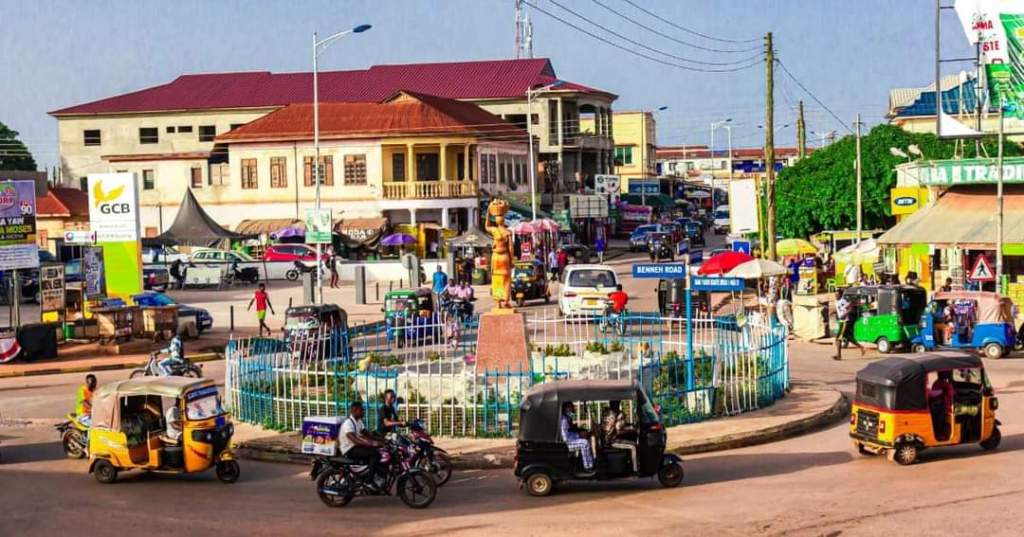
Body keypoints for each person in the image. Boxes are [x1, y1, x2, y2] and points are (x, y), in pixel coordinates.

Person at [339, 401, 384, 485]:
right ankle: (369, 481)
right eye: (361, 410)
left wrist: (382, 439)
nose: (363, 412)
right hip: (349, 449)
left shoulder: (358, 421)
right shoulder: (348, 423)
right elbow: (355, 440)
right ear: (355, 410)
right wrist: (372, 444)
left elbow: (367, 433)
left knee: (380, 450)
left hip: (355, 447)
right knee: (375, 454)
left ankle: (371, 474)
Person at [600, 401, 637, 472]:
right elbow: (619, 430)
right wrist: (631, 431)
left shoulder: (607, 415)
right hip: (612, 441)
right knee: (633, 446)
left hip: (608, 439)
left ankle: (629, 464)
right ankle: (635, 469)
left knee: (631, 443)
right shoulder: (614, 416)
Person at [560, 401, 594, 473]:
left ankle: (584, 463)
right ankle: (588, 467)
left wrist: (580, 432)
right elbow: (565, 437)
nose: (573, 408)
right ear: (566, 408)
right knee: (584, 443)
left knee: (586, 440)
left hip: (570, 439)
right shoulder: (564, 420)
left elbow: (571, 429)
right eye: (571, 407)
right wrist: (579, 435)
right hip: (566, 443)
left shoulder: (567, 418)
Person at [833, 289, 866, 360]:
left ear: (841, 295)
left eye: (837, 295)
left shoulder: (843, 301)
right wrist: (834, 312)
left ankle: (838, 355)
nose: (836, 296)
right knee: (848, 337)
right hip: (842, 321)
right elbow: (839, 309)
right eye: (835, 294)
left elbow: (850, 308)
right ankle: (861, 347)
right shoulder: (836, 301)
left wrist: (845, 314)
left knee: (838, 339)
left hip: (845, 321)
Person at [929, 371, 954, 440]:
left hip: (935, 404)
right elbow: (951, 394)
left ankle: (938, 434)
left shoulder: (936, 382)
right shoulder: (945, 384)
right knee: (940, 421)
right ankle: (940, 435)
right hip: (941, 406)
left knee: (936, 421)